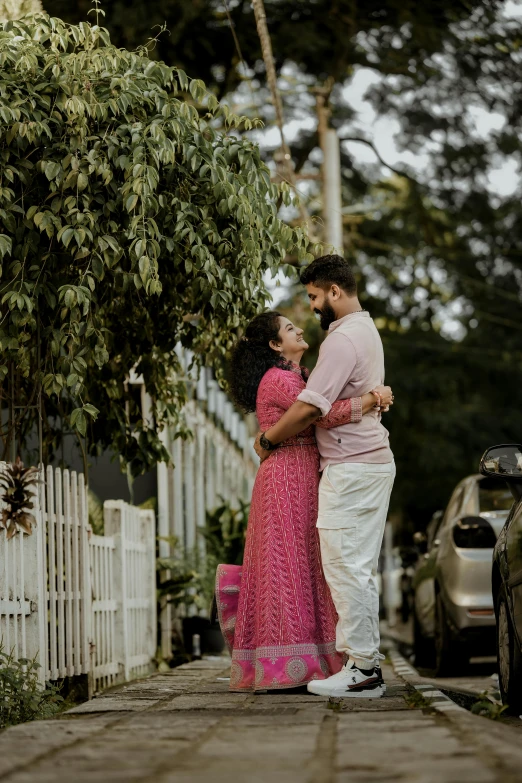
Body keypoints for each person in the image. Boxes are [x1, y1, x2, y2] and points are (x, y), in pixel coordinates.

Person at [218, 310, 393, 693]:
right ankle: (285, 667)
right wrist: (373, 399)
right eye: (289, 329)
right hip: (284, 476)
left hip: (304, 474)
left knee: (309, 565)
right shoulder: (278, 378)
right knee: (287, 566)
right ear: (275, 345)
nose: (299, 329)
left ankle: (316, 664)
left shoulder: (302, 376)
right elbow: (323, 415)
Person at [254, 255, 395, 698]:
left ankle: (363, 669)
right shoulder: (365, 331)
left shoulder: (341, 341)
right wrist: (372, 400)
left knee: (345, 565)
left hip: (353, 466)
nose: (312, 307)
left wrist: (268, 441)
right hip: (364, 462)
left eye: (315, 296)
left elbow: (312, 408)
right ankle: (362, 663)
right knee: (352, 565)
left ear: (334, 291)